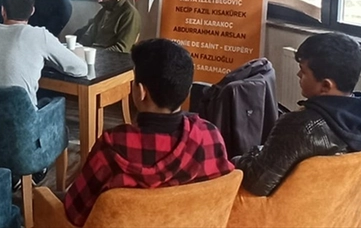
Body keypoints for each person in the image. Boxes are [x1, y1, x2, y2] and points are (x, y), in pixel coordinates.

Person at [64, 39, 234, 226]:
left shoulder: (111, 147)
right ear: (187, 91)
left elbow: (74, 213)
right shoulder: (209, 137)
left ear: (140, 91)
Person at [234, 32, 361, 196]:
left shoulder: (299, 127)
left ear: (325, 85)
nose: (298, 75)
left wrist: (245, 156)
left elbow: (256, 183)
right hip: (339, 205)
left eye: (303, 71)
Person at [0, 0, 86, 107]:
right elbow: (80, 69)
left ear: (2, 10)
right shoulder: (39, 36)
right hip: (22, 117)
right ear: (32, 11)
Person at [76, 0, 141, 53]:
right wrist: (77, 48)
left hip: (110, 59)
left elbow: (122, 49)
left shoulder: (129, 14)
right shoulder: (104, 10)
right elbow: (88, 36)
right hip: (95, 55)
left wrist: (94, 54)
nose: (99, 0)